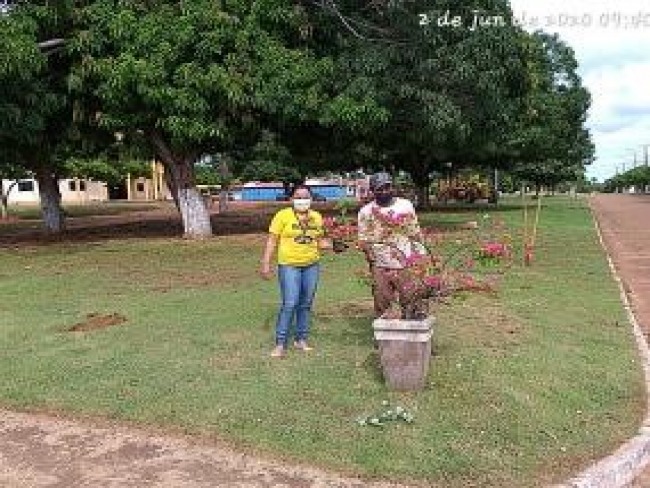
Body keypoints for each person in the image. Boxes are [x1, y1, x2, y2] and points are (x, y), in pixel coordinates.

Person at [260, 185, 329, 358]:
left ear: (311, 199)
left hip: (311, 265)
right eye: (298, 197)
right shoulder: (282, 216)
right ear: (291, 199)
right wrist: (266, 263)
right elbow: (272, 241)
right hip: (289, 265)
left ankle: (301, 339)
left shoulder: (316, 217)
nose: (302, 200)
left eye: (306, 197)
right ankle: (280, 343)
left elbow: (319, 242)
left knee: (305, 304)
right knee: (290, 303)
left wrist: (333, 245)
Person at [357, 172, 427, 319]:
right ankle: (384, 337)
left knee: (411, 300)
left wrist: (419, 259)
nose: (384, 192)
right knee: (382, 302)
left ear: (392, 187)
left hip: (405, 262)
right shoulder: (365, 212)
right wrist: (373, 262)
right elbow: (364, 240)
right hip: (380, 264)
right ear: (373, 191)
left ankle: (412, 334)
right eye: (379, 189)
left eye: (387, 187)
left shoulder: (405, 206)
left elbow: (415, 233)